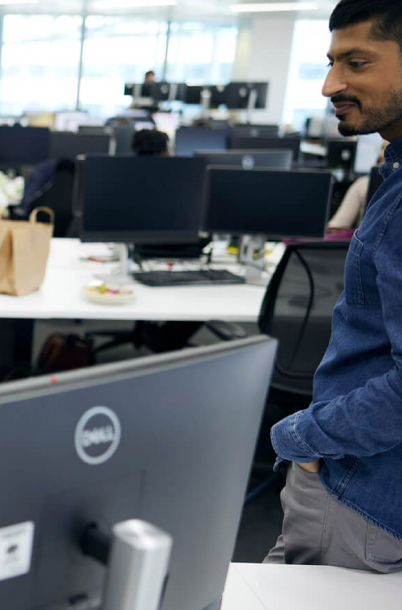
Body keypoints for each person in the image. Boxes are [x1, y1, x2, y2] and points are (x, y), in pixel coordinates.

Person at [265, 0, 402, 572]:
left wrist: (302, 436)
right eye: (330, 63)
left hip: (361, 491)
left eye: (356, 63)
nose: (330, 85)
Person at [327, 142, 387, 232]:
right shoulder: (363, 184)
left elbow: (336, 229)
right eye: (382, 148)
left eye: (389, 148)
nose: (381, 154)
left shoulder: (364, 184)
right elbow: (336, 227)